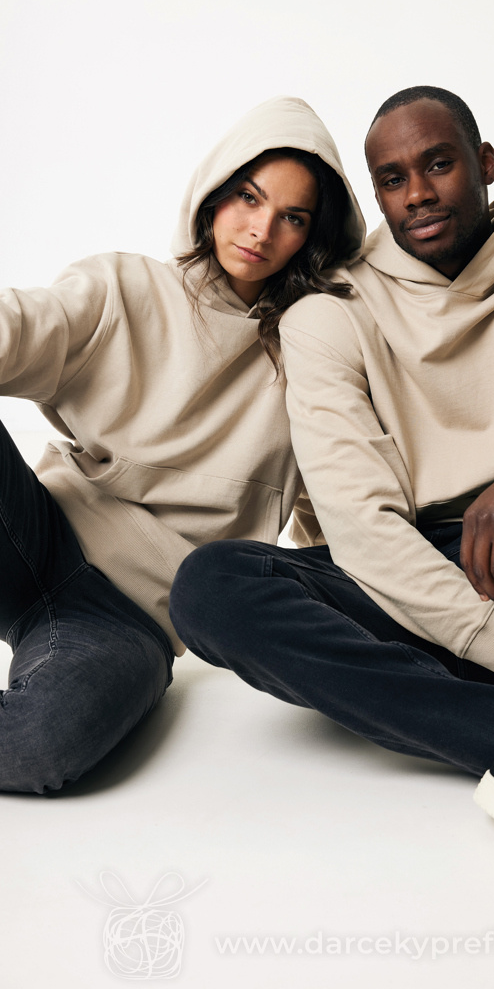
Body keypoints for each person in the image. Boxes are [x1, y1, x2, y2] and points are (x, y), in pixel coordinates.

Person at [169, 86, 494, 900]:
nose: (416, 193)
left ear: (484, 165)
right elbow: (363, 532)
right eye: (392, 178)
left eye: (437, 165)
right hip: (414, 579)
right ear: (375, 195)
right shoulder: (330, 313)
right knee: (212, 586)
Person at [0, 95, 364, 795]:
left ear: (312, 238)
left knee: (39, 747)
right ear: (214, 193)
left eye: (292, 217)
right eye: (248, 197)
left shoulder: (311, 359)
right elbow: (24, 325)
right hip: (33, 534)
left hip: (127, 619)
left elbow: (334, 514)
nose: (261, 230)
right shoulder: (125, 289)